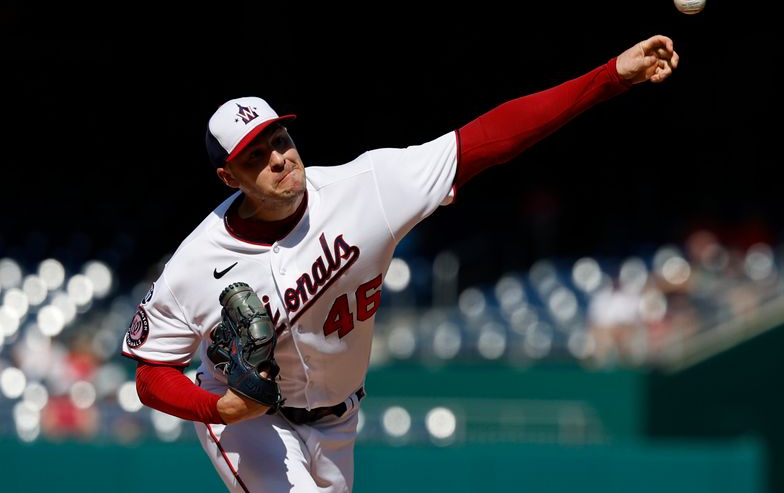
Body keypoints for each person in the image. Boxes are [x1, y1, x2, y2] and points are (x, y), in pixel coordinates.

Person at [120, 34, 679, 492]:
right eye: (255, 156)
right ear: (228, 177)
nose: (279, 160)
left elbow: (488, 138)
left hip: (339, 418)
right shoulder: (196, 261)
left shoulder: (368, 188)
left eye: (280, 139)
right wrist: (219, 408)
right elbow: (150, 372)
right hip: (255, 422)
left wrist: (611, 76)